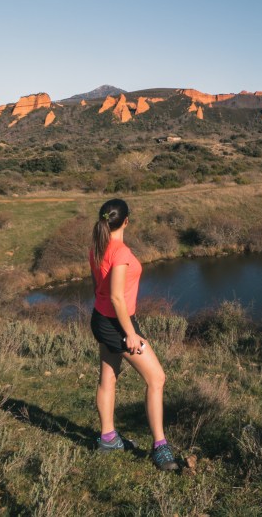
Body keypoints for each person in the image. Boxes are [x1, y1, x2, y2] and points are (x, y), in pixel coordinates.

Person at [89, 198, 178, 471]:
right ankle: (160, 447)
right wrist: (130, 333)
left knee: (108, 376)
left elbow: (98, 285)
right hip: (118, 323)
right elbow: (117, 296)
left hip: (101, 318)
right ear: (126, 221)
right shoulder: (121, 252)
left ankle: (108, 438)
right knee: (156, 378)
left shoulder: (98, 245)